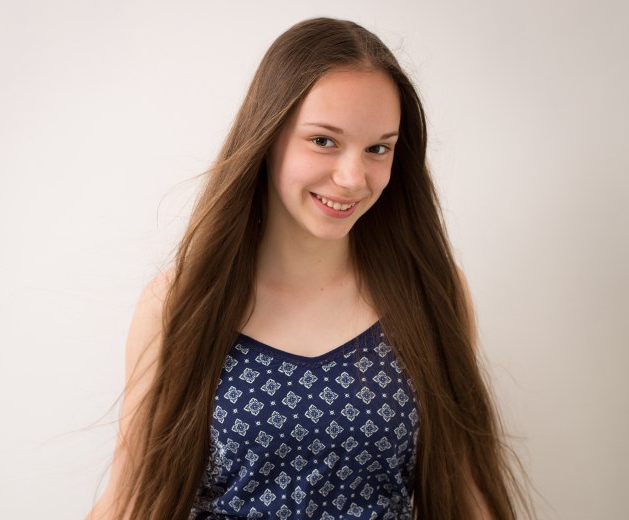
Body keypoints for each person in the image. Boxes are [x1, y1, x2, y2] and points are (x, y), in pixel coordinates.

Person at [87, 17, 531, 520]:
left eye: (378, 148)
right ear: (268, 135)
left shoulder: (433, 293)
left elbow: (469, 494)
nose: (351, 177)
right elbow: (131, 500)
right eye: (323, 141)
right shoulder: (180, 301)